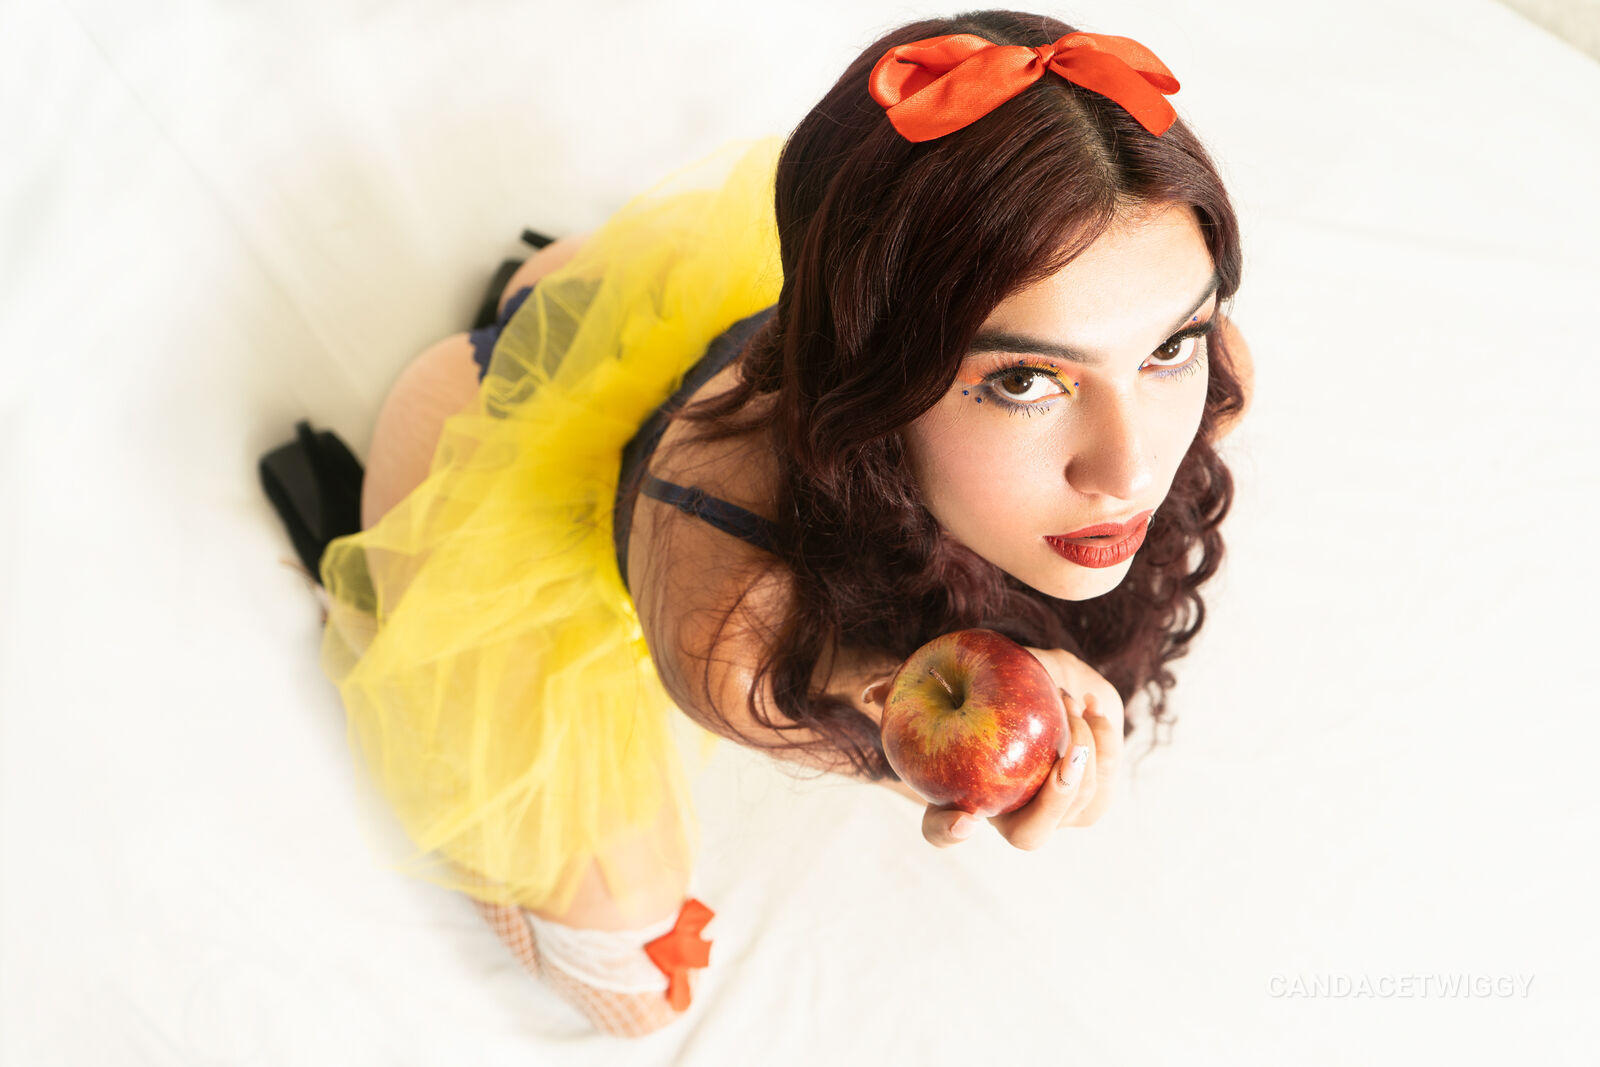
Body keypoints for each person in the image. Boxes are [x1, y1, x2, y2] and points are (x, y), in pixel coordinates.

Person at [263, 9, 1254, 1039]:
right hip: (498, 467)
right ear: (873, 379)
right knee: (634, 994)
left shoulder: (1206, 374)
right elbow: (872, 701)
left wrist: (1019, 711)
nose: (1133, 468)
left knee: (565, 297)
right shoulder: (732, 629)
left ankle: (553, 298)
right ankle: (387, 580)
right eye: (1023, 379)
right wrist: (943, 727)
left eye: (1168, 346)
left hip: (708, 337)